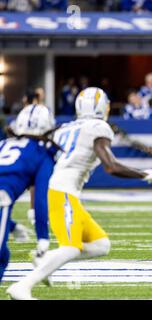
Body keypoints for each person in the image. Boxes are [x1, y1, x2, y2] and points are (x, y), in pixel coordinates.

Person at [7, 87, 152, 300]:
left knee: (100, 245)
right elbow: (111, 166)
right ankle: (22, 286)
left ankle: (46, 258)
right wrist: (143, 174)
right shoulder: (99, 127)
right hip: (62, 192)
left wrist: (34, 206)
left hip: (59, 191)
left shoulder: (63, 128)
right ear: (102, 107)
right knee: (71, 248)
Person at [0, 104, 56, 284]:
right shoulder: (42, 154)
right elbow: (40, 197)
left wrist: (12, 226)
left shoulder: (3, 144)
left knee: (4, 256)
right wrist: (43, 238)